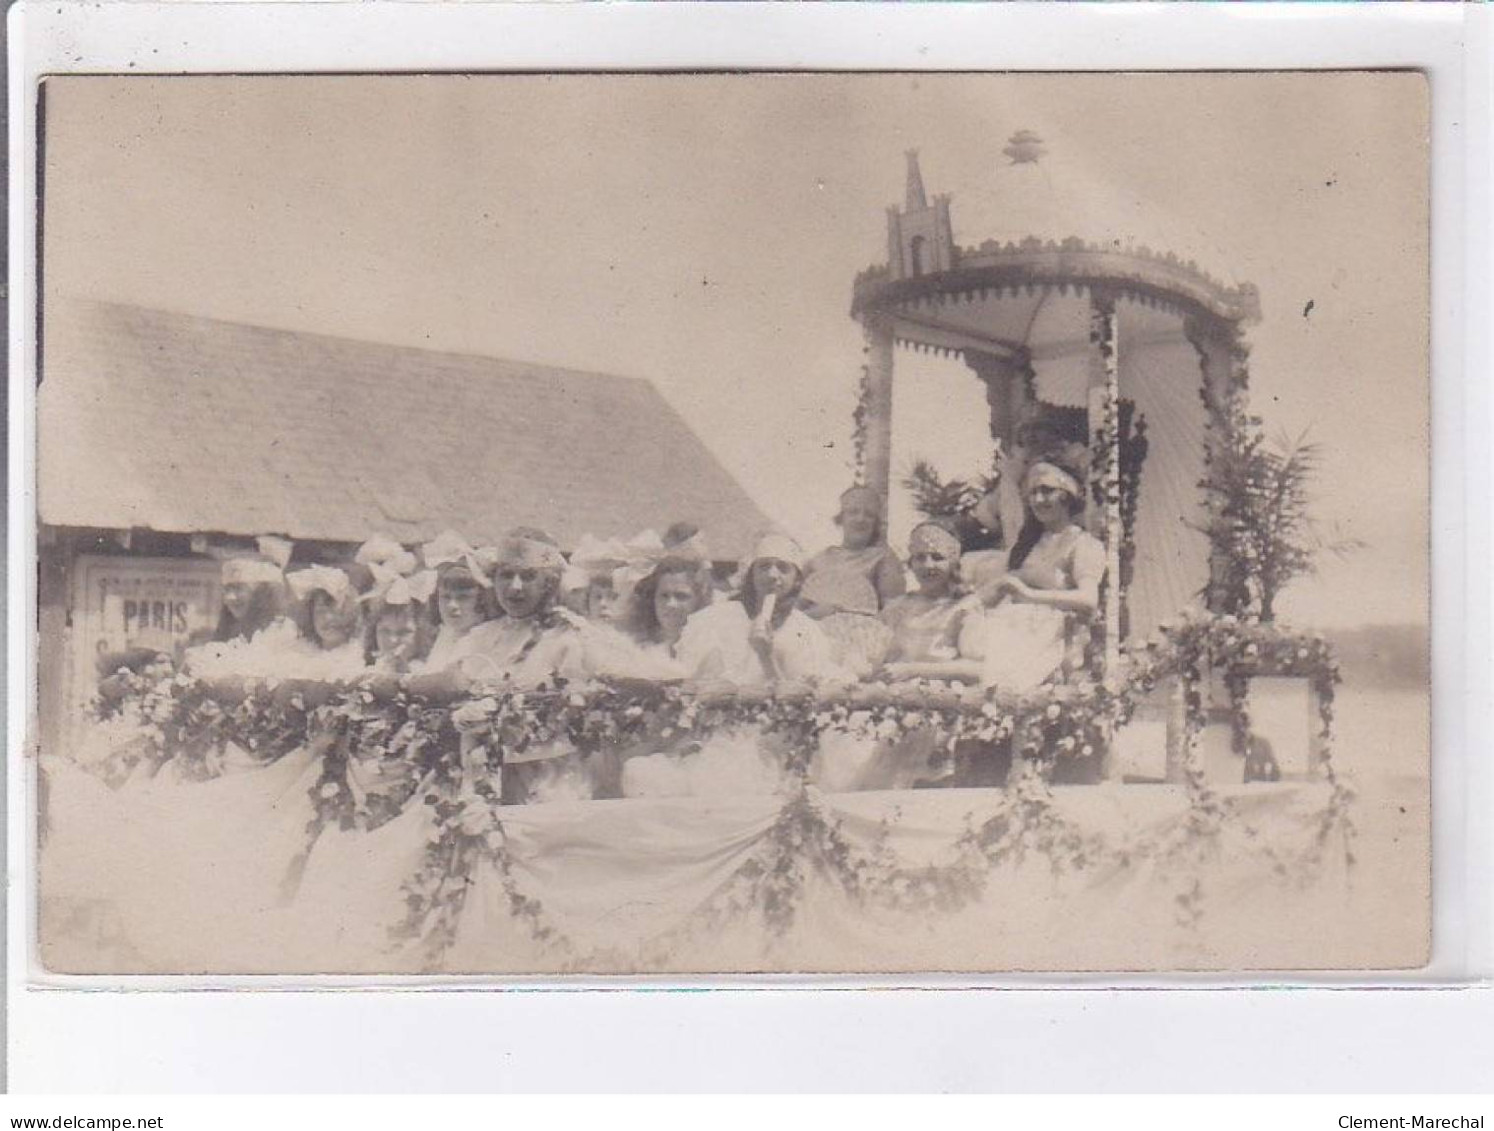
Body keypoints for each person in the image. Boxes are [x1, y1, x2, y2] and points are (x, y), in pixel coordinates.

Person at [972, 457, 1105, 692]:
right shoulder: (1027, 544)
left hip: (1055, 635)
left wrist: (1029, 595)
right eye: (1033, 493)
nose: (1038, 500)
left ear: (1068, 495)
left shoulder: (1082, 544)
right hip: (1013, 626)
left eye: (1047, 491)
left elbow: (1088, 600)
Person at [676, 532, 844, 687]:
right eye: (764, 566)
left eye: (783, 568)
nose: (772, 575)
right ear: (751, 575)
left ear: (796, 580)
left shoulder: (806, 630)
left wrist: (766, 656)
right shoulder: (714, 617)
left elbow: (800, 700)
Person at [802, 485, 906, 617]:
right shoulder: (818, 560)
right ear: (841, 517)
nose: (860, 519)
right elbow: (795, 609)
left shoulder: (884, 559)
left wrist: (846, 613)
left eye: (869, 515)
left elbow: (893, 614)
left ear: (876, 523)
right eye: (853, 512)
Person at [418, 531, 502, 675]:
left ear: (483, 600)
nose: (452, 606)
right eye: (445, 597)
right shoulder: (446, 636)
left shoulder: (489, 637)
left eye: (463, 598)